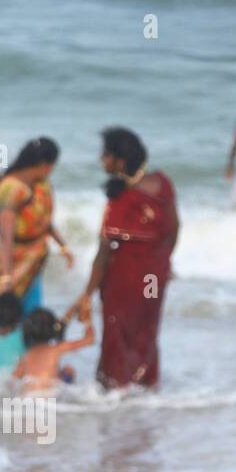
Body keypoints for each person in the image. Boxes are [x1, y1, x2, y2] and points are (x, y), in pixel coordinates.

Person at [72, 127, 179, 389]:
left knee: (118, 331)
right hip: (155, 277)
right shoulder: (163, 186)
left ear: (121, 160)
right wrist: (163, 262)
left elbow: (103, 255)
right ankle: (145, 386)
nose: (101, 159)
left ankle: (116, 389)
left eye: (106, 154)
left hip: (125, 280)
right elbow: (175, 229)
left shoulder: (120, 200)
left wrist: (86, 294)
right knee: (147, 328)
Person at [0, 137, 74, 316]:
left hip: (31, 257)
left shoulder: (40, 185)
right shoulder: (11, 188)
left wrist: (63, 246)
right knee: (1, 311)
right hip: (3, 258)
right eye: (52, 165)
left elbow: (43, 220)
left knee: (30, 310)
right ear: (44, 164)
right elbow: (6, 237)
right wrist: (6, 277)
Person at [13, 307, 95, 392]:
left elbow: (13, 380)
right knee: (69, 370)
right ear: (52, 328)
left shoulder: (26, 355)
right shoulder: (56, 349)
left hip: (29, 397)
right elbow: (90, 339)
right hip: (51, 397)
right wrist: (87, 321)